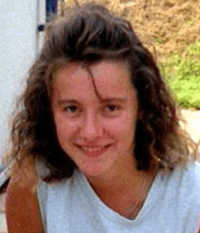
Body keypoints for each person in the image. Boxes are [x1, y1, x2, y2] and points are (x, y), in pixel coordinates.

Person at [4, 2, 200, 233]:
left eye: (110, 108)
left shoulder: (190, 198)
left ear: (142, 107)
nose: (90, 132)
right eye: (71, 108)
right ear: (48, 110)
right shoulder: (33, 187)